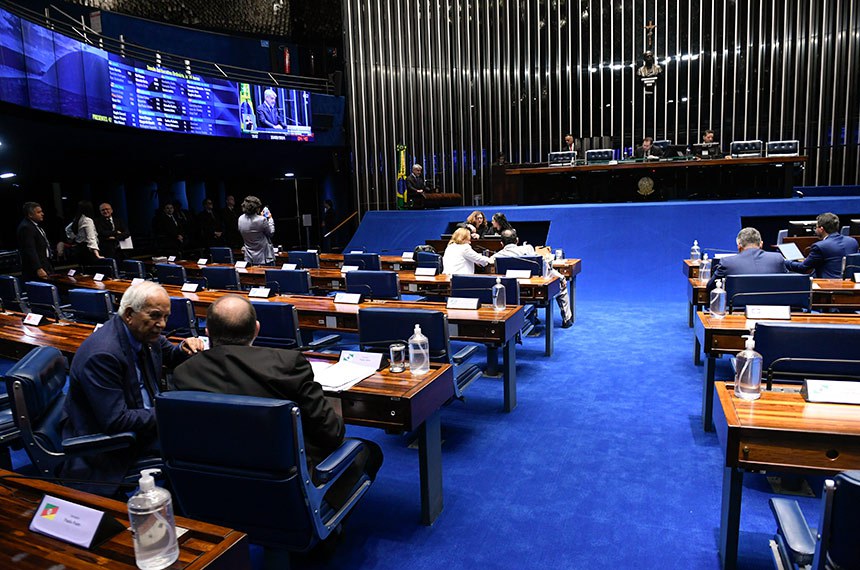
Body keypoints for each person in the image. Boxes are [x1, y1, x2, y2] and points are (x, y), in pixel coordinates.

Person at [172, 295, 382, 509]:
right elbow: (332, 435)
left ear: (207, 332)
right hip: (286, 489)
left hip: (215, 487)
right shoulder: (288, 365)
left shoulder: (184, 373)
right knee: (369, 451)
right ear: (256, 329)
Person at [60, 281, 205, 496]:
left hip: (143, 416)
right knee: (197, 445)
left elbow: (170, 355)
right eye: (156, 316)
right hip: (116, 443)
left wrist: (184, 348)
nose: (162, 324)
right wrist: (168, 413)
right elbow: (116, 421)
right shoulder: (104, 355)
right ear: (129, 314)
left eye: (166, 317)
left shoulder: (144, 334)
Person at [490, 229, 574, 328]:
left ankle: (532, 317)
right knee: (562, 287)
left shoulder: (495, 257)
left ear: (501, 243)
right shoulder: (528, 249)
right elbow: (545, 266)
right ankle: (567, 319)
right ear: (517, 240)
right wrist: (561, 277)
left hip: (510, 291)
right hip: (532, 289)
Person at [707, 227, 788, 291]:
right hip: (774, 309)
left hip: (737, 310)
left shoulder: (727, 262)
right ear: (761, 244)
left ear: (739, 246)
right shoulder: (777, 259)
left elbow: (710, 287)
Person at [786, 213, 859, 279]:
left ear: (821, 229)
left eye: (816, 227)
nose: (815, 230)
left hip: (827, 286)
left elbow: (802, 267)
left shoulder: (820, 246)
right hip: (850, 284)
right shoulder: (852, 241)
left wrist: (784, 261)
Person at [17, 201, 54, 281]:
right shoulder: (26, 228)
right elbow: (30, 250)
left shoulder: (34, 226)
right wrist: (38, 268)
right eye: (39, 212)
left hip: (45, 263)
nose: (42, 214)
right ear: (30, 215)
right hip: (36, 269)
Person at [238, 195, 275, 265]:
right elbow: (271, 233)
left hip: (249, 257)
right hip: (264, 258)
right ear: (256, 208)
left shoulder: (240, 218)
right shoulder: (262, 220)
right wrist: (270, 219)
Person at [65, 200, 101, 267]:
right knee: (92, 271)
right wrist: (96, 253)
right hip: (87, 250)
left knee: (83, 270)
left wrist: (75, 237)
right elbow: (91, 237)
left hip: (79, 248)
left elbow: (67, 229)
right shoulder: (87, 220)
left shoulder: (78, 219)